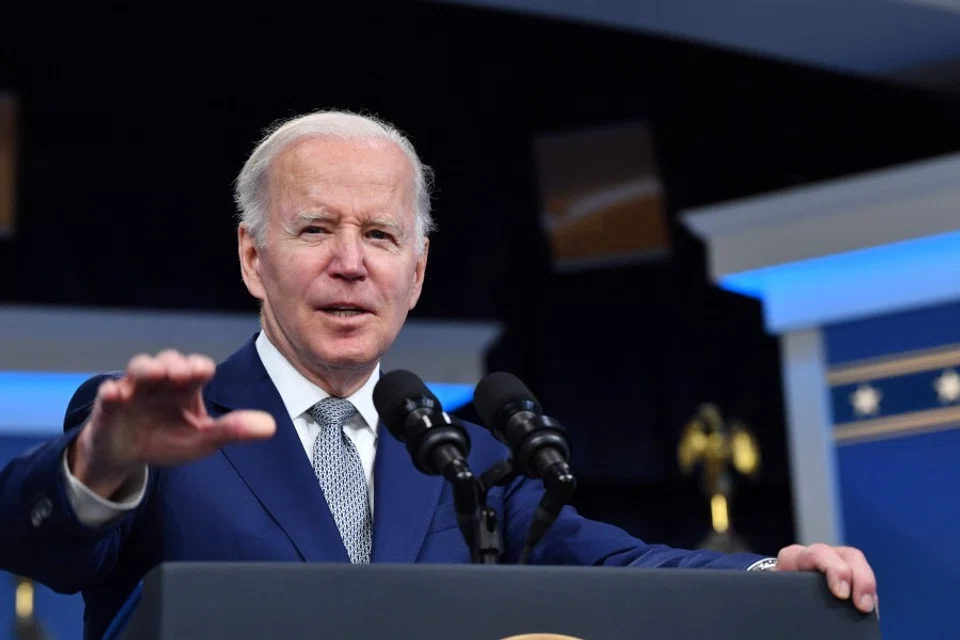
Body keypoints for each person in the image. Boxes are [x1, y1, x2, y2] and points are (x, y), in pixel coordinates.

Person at [0, 110, 877, 639]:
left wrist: (773, 577)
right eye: (315, 230)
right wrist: (99, 468)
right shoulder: (159, 429)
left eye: (380, 236)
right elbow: (39, 541)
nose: (351, 264)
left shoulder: (467, 463)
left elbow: (617, 562)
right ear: (251, 256)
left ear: (415, 274)